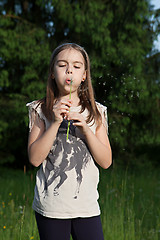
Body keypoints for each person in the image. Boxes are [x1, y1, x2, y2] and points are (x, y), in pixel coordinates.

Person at [26, 42, 112, 240]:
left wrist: (86, 130)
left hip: (87, 207)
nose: (69, 70)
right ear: (52, 73)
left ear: (84, 75)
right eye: (62, 65)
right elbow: (34, 159)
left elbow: (106, 162)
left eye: (76, 65)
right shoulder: (40, 109)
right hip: (52, 207)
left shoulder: (96, 111)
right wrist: (55, 122)